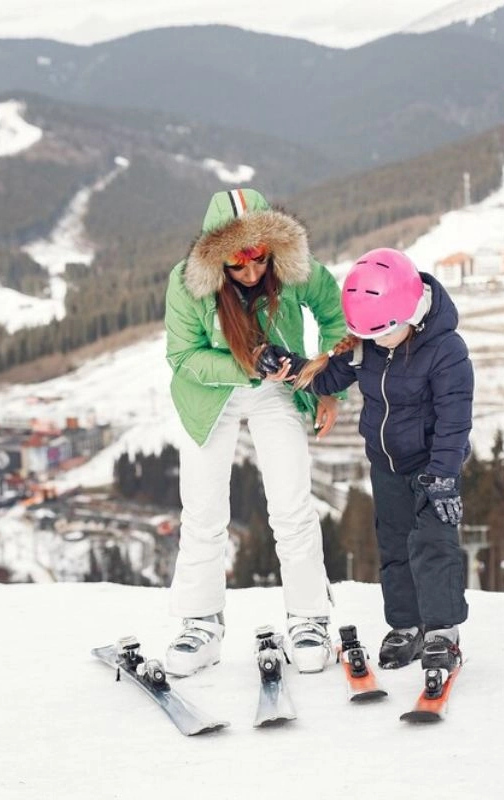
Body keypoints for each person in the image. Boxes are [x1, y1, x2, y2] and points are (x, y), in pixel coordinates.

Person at [259, 247, 473, 674]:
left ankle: (442, 633)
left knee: (434, 546)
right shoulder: (370, 345)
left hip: (432, 469)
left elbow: (455, 419)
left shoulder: (446, 350)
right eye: (369, 334)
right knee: (394, 546)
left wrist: (444, 476)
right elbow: (329, 375)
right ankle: (406, 627)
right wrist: (286, 363)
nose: (376, 342)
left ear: (411, 312)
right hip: (387, 465)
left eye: (384, 333)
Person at [163, 188, 347, 676]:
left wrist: (328, 387)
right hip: (211, 395)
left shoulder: (292, 270)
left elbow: (337, 319)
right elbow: (183, 358)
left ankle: (309, 617)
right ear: (216, 259)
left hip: (277, 389)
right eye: (237, 266)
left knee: (292, 504)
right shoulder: (186, 285)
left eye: (259, 261)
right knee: (203, 510)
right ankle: (200, 622)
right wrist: (245, 362)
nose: (250, 274)